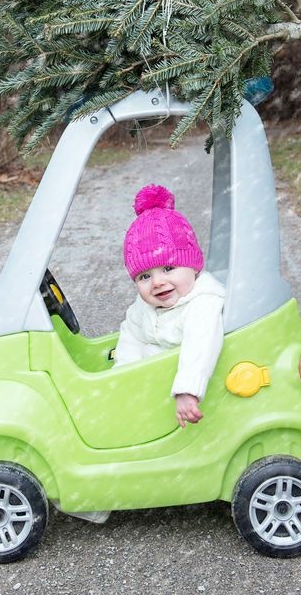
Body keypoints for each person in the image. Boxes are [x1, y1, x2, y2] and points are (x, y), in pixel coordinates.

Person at [115, 183, 225, 428]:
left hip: (183, 393)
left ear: (193, 266)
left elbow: (200, 344)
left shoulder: (202, 302)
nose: (157, 282)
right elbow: (131, 336)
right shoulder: (143, 307)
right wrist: (122, 378)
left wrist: (188, 390)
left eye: (168, 269)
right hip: (151, 388)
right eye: (144, 276)